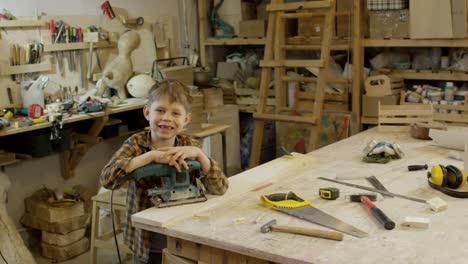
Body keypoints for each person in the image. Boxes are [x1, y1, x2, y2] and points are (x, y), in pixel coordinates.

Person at [100, 79, 229, 263]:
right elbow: (106, 179)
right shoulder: (136, 144)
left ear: (186, 119)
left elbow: (221, 187)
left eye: (175, 113)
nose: (167, 118)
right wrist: (149, 157)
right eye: (160, 110)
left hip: (182, 235)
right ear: (147, 112)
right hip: (146, 241)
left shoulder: (189, 145)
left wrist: (201, 156)